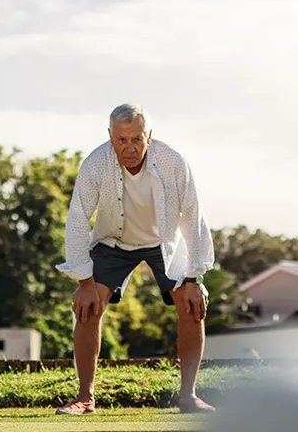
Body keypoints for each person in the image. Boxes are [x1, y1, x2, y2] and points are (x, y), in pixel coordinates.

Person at [55, 103, 216, 414]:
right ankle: (85, 398)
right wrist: (84, 281)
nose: (129, 148)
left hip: (164, 242)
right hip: (114, 242)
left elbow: (193, 216)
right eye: (121, 140)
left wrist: (195, 277)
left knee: (192, 304)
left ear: (149, 136)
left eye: (137, 139)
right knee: (87, 306)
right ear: (110, 136)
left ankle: (188, 397)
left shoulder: (173, 162)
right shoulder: (95, 164)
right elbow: (77, 219)